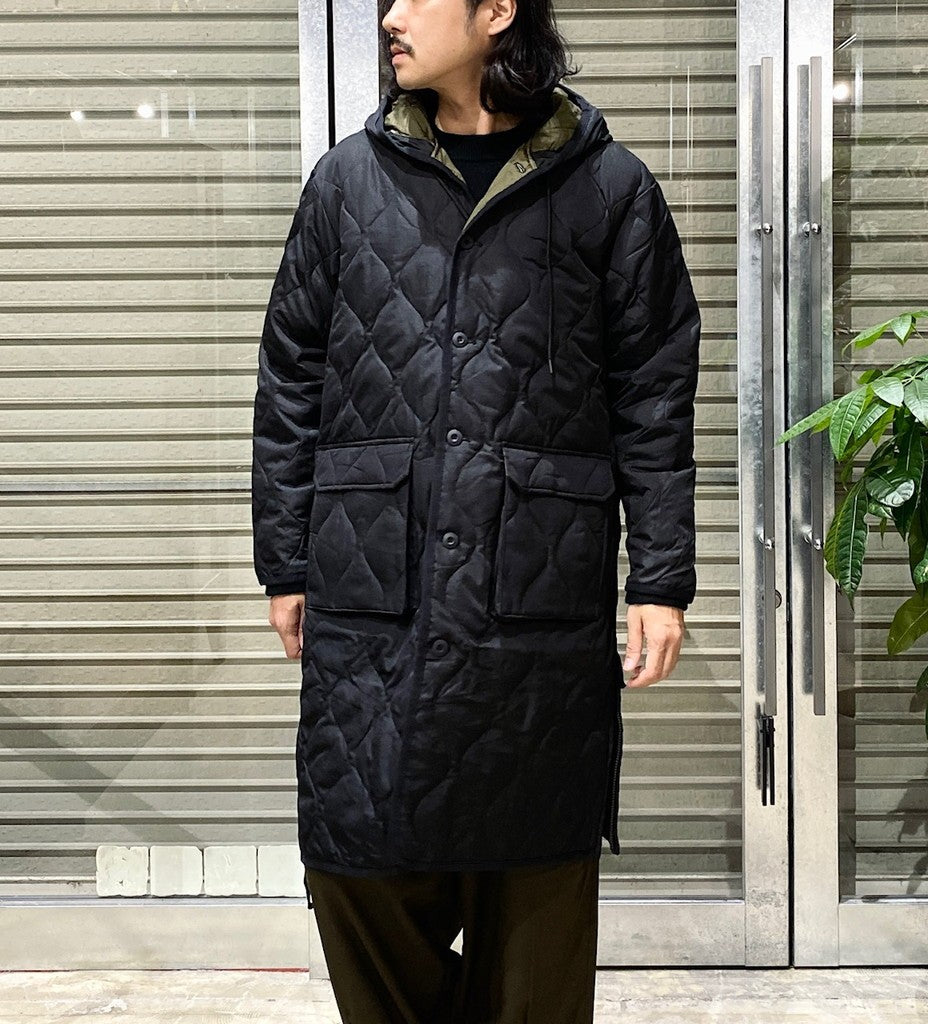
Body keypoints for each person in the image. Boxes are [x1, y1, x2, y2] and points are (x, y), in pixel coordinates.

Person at [250, 0, 701, 1018]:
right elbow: (290, 378)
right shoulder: (346, 182)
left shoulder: (609, 188)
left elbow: (653, 393)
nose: (391, 18)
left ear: (496, 11)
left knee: (533, 884)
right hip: (374, 579)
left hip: (534, 587)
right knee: (356, 861)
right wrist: (286, 558)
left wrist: (660, 578)